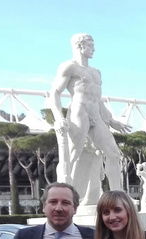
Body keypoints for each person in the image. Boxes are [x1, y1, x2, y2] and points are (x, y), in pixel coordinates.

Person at [49, 33, 130, 206]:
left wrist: (111, 120)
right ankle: (63, 196)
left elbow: (97, 98)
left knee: (113, 153)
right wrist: (59, 117)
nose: (94, 49)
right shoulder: (69, 67)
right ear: (80, 46)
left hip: (96, 115)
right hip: (79, 112)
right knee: (72, 155)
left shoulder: (96, 72)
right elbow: (54, 93)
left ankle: (119, 198)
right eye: (91, 45)